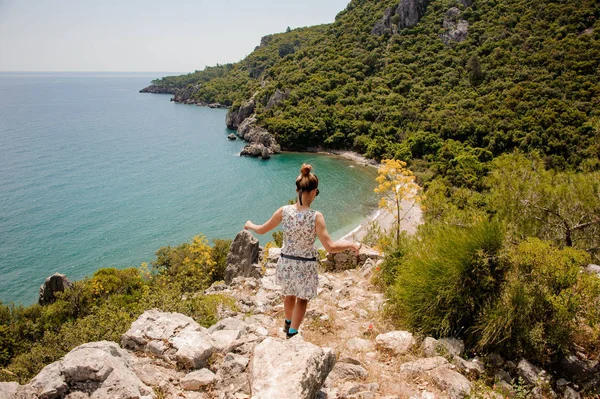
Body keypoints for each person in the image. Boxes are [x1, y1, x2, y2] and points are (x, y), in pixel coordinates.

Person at [244, 163, 360, 338]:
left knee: (289, 295)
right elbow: (330, 246)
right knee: (302, 299)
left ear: (297, 189)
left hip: (287, 262)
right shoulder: (316, 216)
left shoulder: (284, 211)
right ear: (313, 192)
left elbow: (261, 229)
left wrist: (250, 224)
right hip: (305, 266)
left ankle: (288, 322)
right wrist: (351, 244)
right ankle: (293, 332)